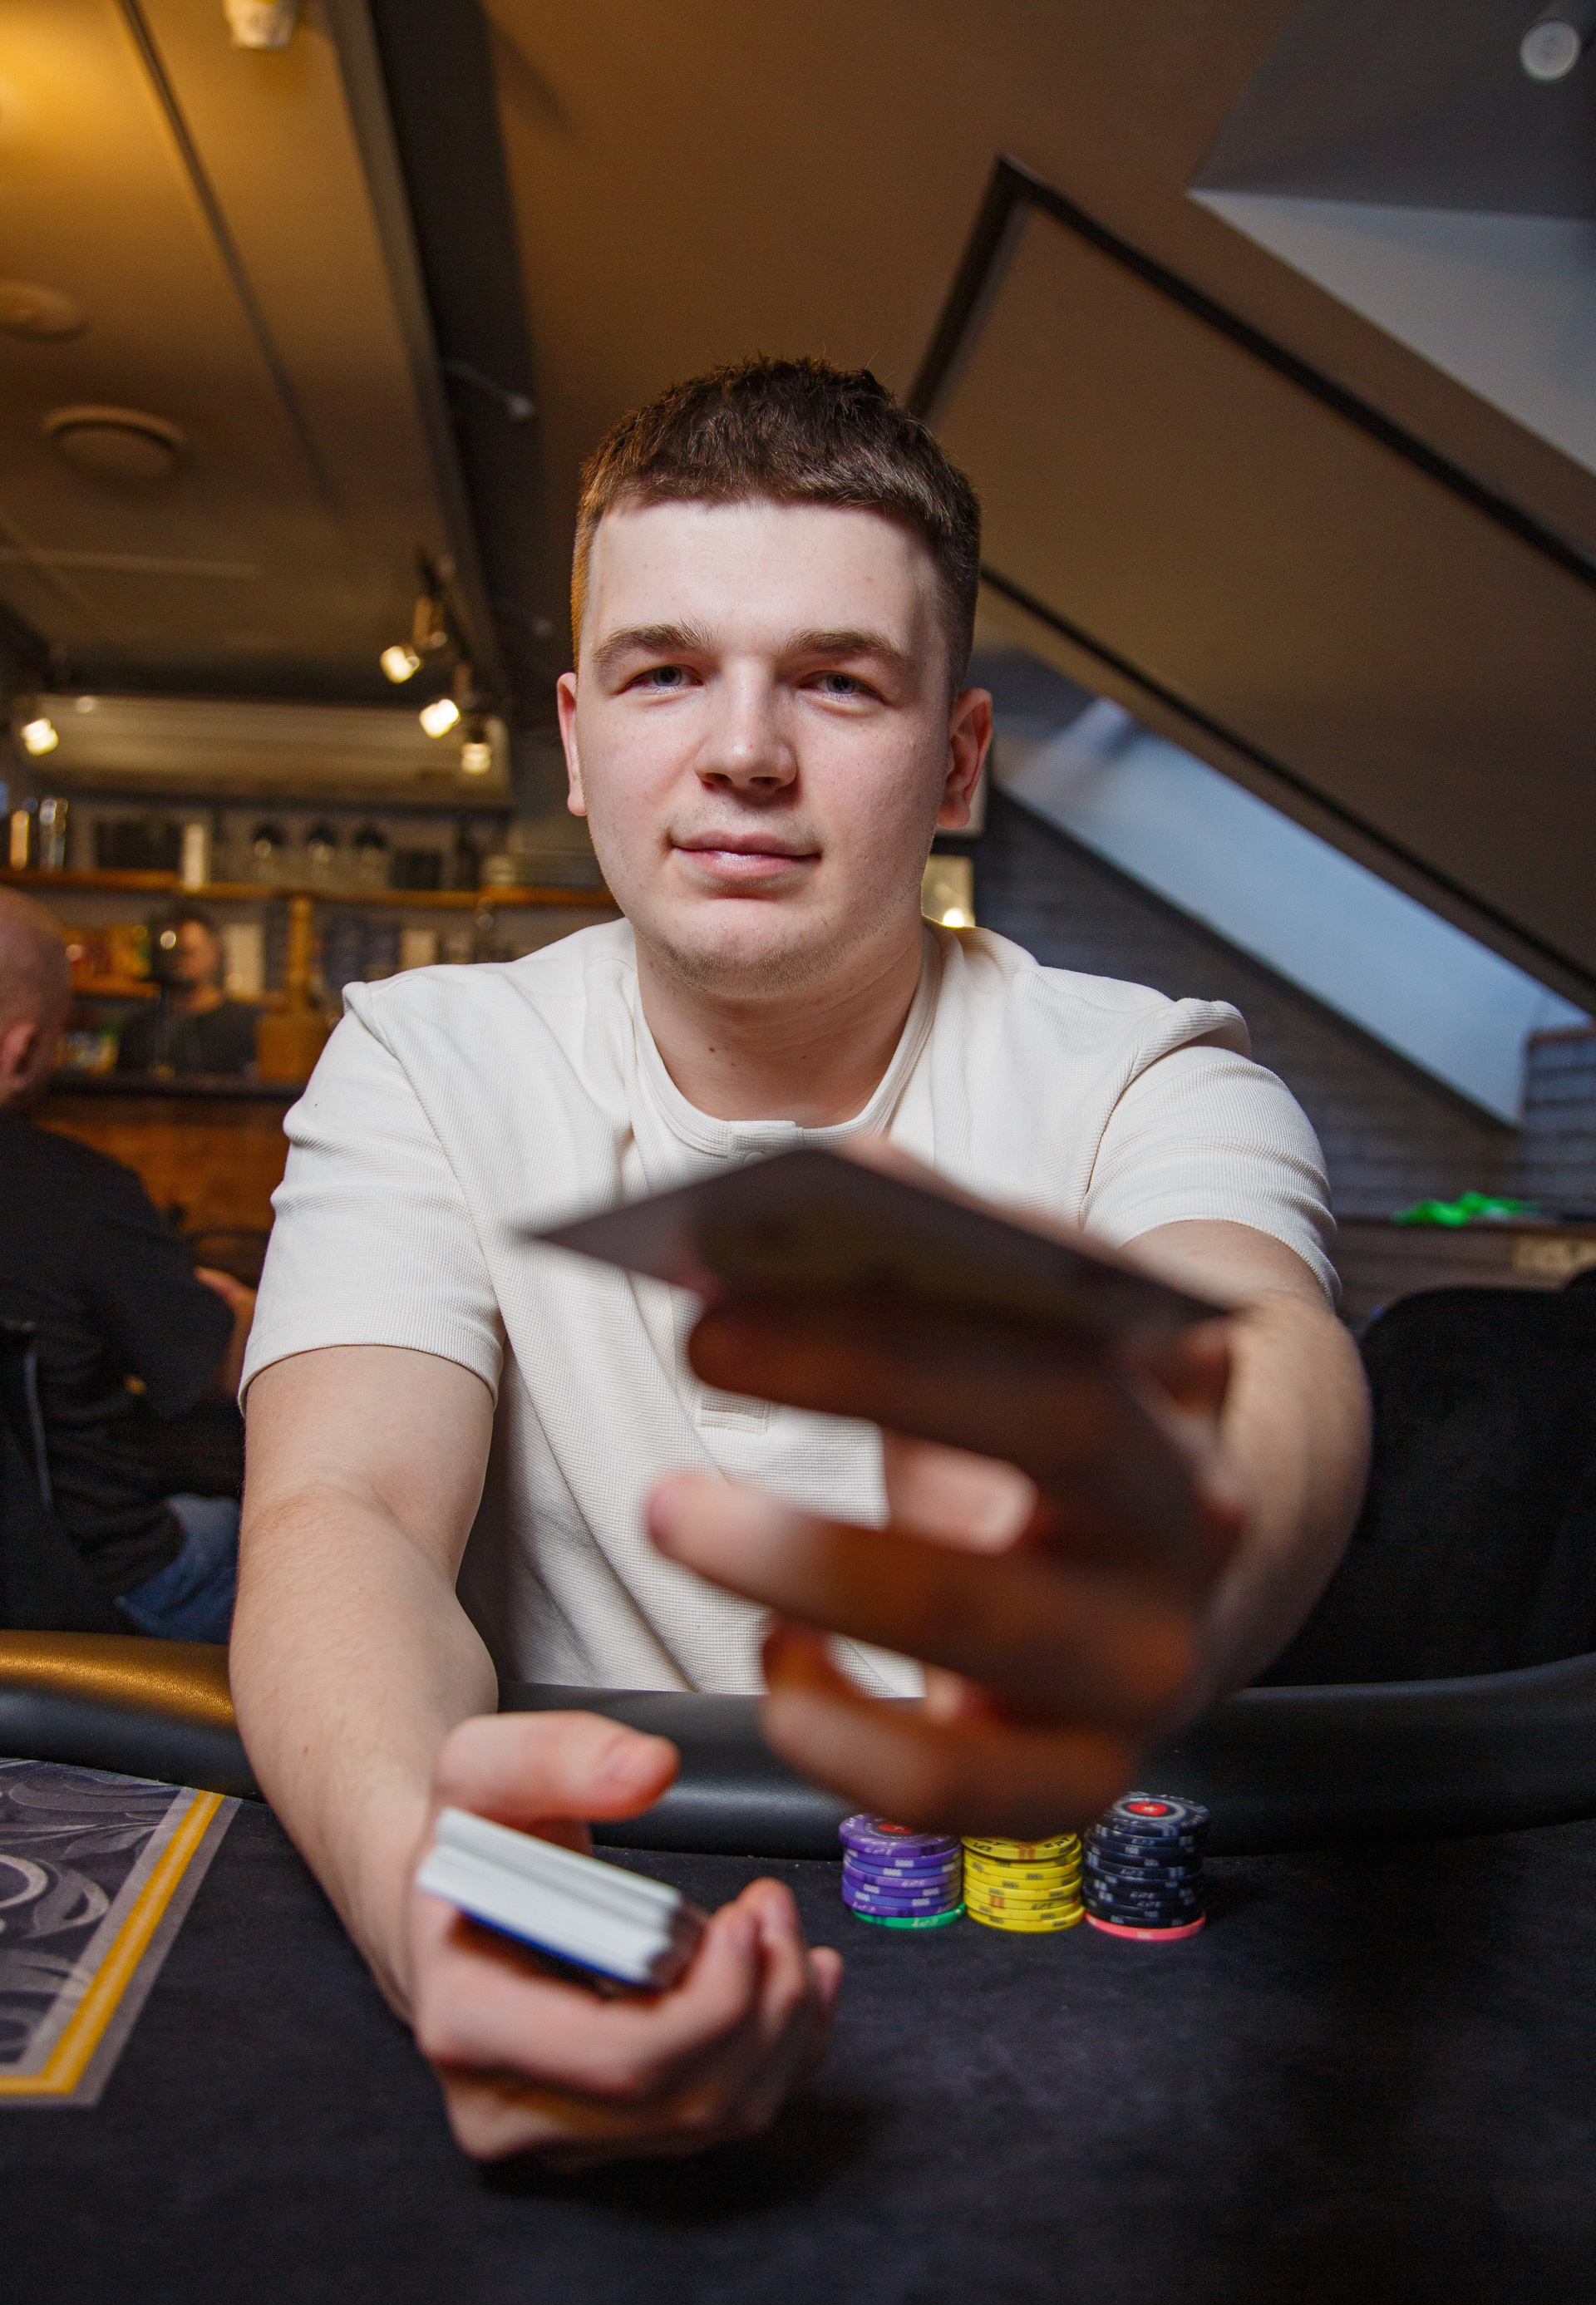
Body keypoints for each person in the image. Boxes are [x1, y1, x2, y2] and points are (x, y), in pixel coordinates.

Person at [234, 360, 1369, 2165]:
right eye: (664, 671)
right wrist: (422, 1885)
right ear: (577, 735)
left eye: (837, 681)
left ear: (958, 759)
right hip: (605, 1865)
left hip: (1028, 1930)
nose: (744, 752)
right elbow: (341, 1511)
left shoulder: (1148, 1070)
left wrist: (1174, 1504)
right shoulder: (424, 1058)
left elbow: (1268, 1351)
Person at [0, 888, 254, 1640]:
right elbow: (222, 1367)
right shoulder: (76, 1194)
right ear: (22, 1049)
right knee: (300, 1543)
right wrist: (241, 1312)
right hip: (86, 1593)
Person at [116, 903, 257, 1077]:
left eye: (190, 952)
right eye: (175, 952)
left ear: (215, 955)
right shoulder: (140, 1029)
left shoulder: (246, 1026)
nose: (180, 960)